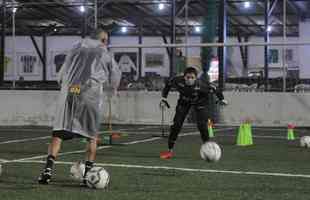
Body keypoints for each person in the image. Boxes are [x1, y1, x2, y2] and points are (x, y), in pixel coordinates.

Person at [38, 29, 121, 184]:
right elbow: (115, 75)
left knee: (58, 133)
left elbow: (61, 75)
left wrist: (67, 87)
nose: (106, 43)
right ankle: (88, 176)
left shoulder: (75, 47)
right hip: (90, 94)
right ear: (102, 40)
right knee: (91, 136)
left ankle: (47, 171)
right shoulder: (104, 52)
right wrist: (112, 90)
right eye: (106, 40)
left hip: (70, 91)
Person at [159, 67, 227, 159]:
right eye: (188, 77)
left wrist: (221, 99)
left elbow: (215, 88)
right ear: (184, 77)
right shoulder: (177, 81)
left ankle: (208, 149)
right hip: (184, 102)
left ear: (196, 78)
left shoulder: (202, 84)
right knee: (177, 125)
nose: (190, 79)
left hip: (200, 102)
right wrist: (164, 99)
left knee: (202, 125)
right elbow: (168, 84)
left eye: (192, 77)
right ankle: (169, 151)